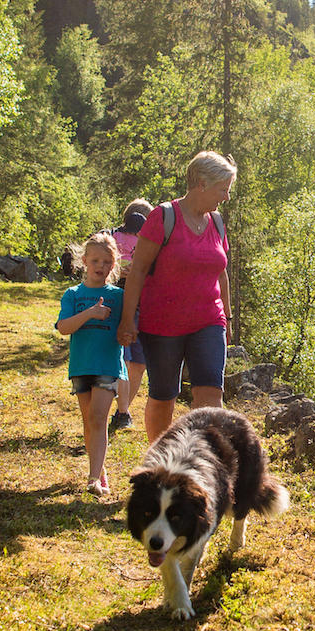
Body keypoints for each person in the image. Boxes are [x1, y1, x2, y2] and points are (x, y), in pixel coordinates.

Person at [118, 152, 235, 444]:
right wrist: (126, 321)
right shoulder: (163, 217)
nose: (227, 197)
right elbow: (138, 271)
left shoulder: (217, 222)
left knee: (210, 394)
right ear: (201, 183)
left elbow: (222, 273)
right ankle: (161, 462)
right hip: (162, 324)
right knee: (163, 395)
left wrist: (229, 318)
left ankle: (203, 463)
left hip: (209, 320)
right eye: (223, 189)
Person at [57, 232, 127, 497]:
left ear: (113, 265)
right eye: (95, 260)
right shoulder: (73, 294)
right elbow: (64, 327)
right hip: (81, 365)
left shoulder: (119, 296)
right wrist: (90, 313)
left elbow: (129, 325)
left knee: (99, 418)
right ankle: (100, 469)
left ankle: (93, 478)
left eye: (107, 262)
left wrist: (129, 333)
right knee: (89, 422)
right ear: (84, 261)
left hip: (108, 365)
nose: (101, 267)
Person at [109, 197, 156, 434]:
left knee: (138, 363)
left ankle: (122, 409)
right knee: (125, 359)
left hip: (144, 305)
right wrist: (119, 269)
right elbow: (98, 262)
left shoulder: (154, 242)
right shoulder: (113, 237)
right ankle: (122, 410)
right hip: (118, 302)